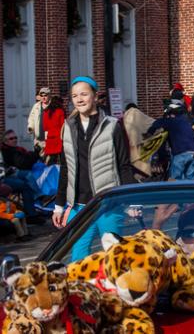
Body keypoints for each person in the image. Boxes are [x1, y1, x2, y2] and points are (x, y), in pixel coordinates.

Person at [52, 76, 137, 262]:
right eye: (75, 96)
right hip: (79, 206)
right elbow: (66, 168)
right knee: (78, 258)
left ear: (95, 96)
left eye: (84, 94)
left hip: (108, 203)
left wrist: (131, 200)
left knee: (115, 257)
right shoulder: (67, 127)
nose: (79, 99)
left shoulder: (112, 126)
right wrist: (59, 206)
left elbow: (124, 166)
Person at [0, 129, 40, 221]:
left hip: (3, 176)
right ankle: (32, 213)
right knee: (25, 185)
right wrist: (4, 172)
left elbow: (0, 166)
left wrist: (8, 169)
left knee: (26, 177)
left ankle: (31, 209)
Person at [148, 100, 194, 180]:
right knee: (191, 182)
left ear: (172, 114)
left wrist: (150, 132)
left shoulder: (172, 122)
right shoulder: (187, 121)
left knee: (174, 182)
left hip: (181, 154)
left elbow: (158, 123)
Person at [41, 95, 66, 165]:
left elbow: (45, 127)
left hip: (50, 137)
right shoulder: (60, 111)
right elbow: (63, 125)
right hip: (59, 137)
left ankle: (50, 173)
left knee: (51, 160)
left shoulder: (46, 112)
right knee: (63, 160)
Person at [27, 87, 52, 154]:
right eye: (41, 96)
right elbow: (31, 118)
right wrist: (30, 127)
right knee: (38, 160)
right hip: (38, 140)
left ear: (49, 95)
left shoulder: (52, 106)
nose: (43, 97)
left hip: (49, 140)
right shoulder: (36, 106)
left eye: (45, 95)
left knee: (48, 161)